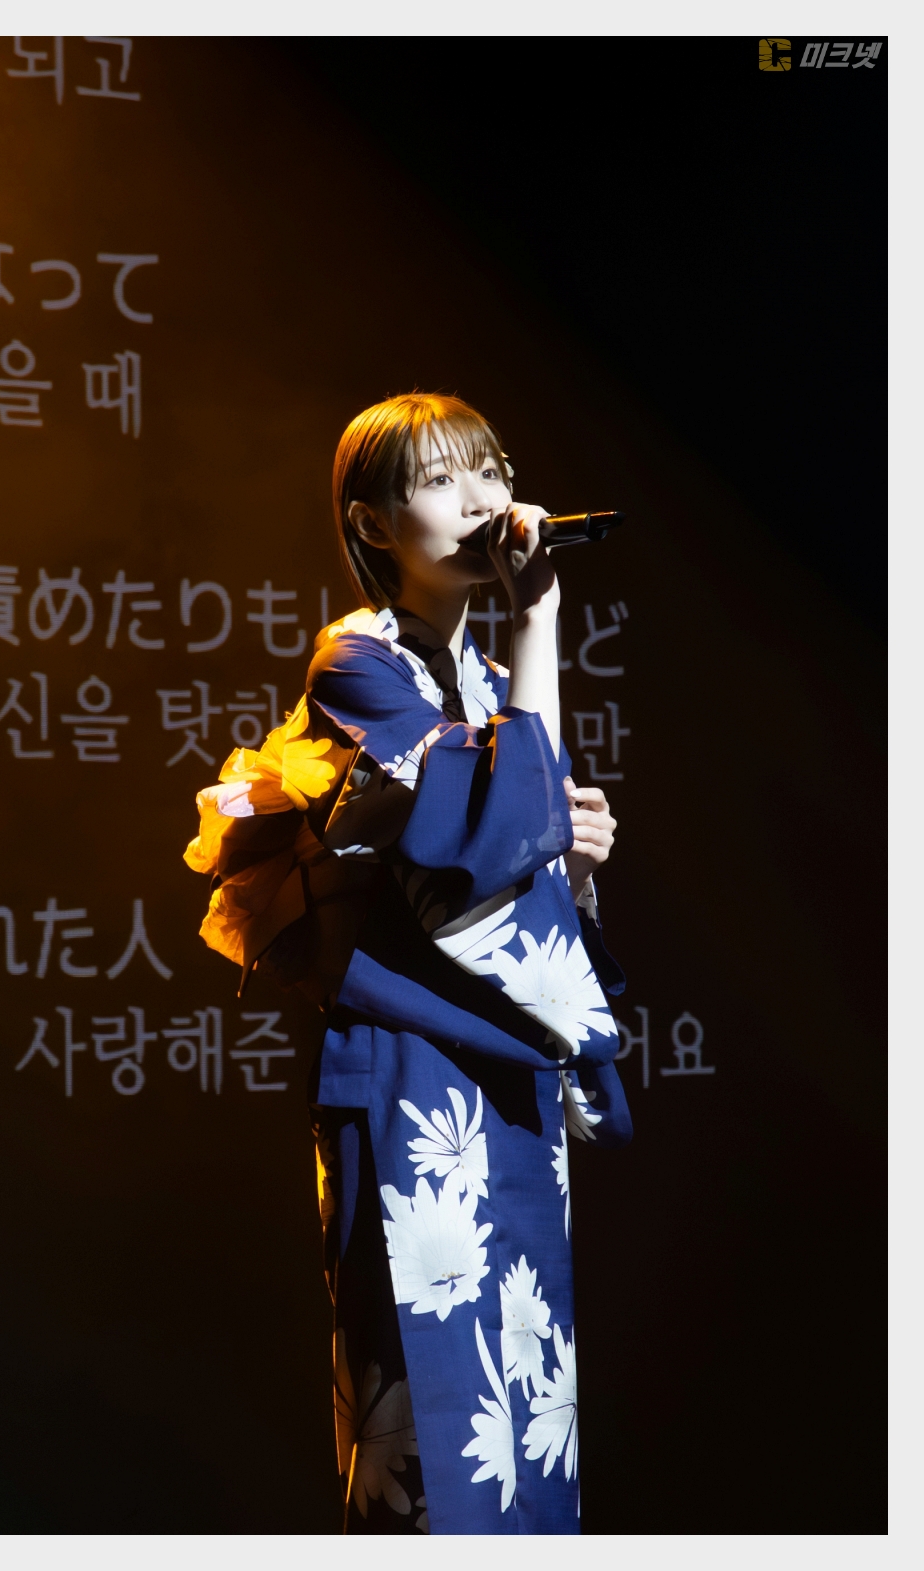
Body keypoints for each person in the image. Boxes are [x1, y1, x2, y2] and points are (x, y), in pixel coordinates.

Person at [184, 393, 631, 1534]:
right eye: (441, 480)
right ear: (372, 522)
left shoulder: (480, 675)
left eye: (491, 471)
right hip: (406, 1070)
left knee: (527, 1417)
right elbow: (486, 838)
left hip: (504, 1071)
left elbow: (526, 858)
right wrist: (540, 623)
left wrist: (575, 856)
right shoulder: (356, 659)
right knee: (432, 1441)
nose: (483, 501)